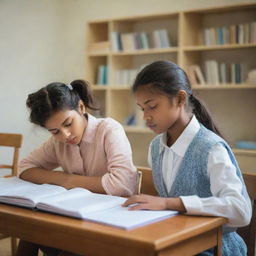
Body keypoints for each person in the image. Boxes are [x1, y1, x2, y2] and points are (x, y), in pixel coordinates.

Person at [123, 61, 252, 256]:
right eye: (142, 109)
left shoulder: (211, 148)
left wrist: (171, 203)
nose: (146, 117)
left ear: (180, 99)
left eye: (152, 107)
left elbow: (240, 211)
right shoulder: (156, 147)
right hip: (176, 243)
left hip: (216, 248)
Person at [16, 79, 137, 256]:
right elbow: (25, 168)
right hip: (75, 219)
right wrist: (65, 180)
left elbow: (122, 184)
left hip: (110, 224)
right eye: (54, 131)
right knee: (30, 229)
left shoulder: (109, 130)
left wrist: (68, 181)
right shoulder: (57, 143)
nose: (65, 135)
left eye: (68, 123)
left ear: (81, 108)